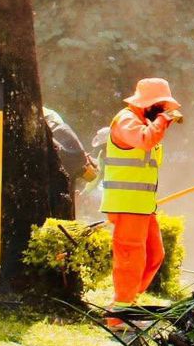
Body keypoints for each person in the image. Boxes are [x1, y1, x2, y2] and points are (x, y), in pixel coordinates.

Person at [104, 78, 182, 308]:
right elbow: (145, 140)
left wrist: (161, 120)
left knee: (154, 256)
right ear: (147, 104)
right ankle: (120, 312)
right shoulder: (126, 121)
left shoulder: (141, 122)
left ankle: (127, 303)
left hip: (142, 206)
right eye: (159, 106)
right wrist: (163, 119)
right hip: (127, 205)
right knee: (130, 259)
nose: (162, 111)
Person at [44, 106, 97, 219]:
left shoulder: (58, 131)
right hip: (57, 197)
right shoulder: (59, 130)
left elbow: (78, 159)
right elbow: (79, 161)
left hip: (56, 192)